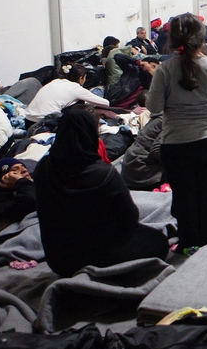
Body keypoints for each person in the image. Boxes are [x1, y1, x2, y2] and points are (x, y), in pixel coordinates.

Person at [34, 107, 168, 277]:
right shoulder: (103, 173)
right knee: (158, 242)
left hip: (59, 260)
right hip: (99, 251)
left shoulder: (43, 168)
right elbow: (129, 219)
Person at [147, 13, 207, 251]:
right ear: (202, 38)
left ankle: (187, 243)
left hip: (176, 143)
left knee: (184, 196)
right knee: (206, 193)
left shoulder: (165, 70)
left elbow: (154, 107)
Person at [27, 63, 110, 123]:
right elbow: (105, 103)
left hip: (28, 119)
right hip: (46, 122)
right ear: (81, 78)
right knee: (79, 103)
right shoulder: (76, 88)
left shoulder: (55, 81)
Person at [0, 158, 36, 238]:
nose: (24, 170)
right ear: (4, 178)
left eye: (23, 167)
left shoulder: (37, 182)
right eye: (15, 169)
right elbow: (30, 203)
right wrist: (21, 182)